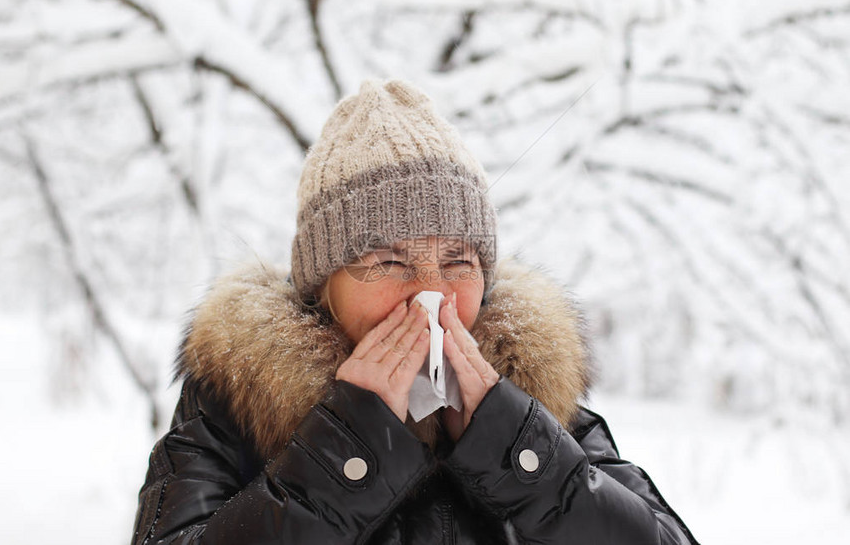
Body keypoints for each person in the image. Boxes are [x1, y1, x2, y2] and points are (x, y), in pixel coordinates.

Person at [131, 80, 698, 544]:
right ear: (322, 284)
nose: (432, 296)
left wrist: (517, 450)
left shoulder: (536, 402)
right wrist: (346, 444)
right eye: (388, 260)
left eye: (458, 260)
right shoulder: (232, 407)